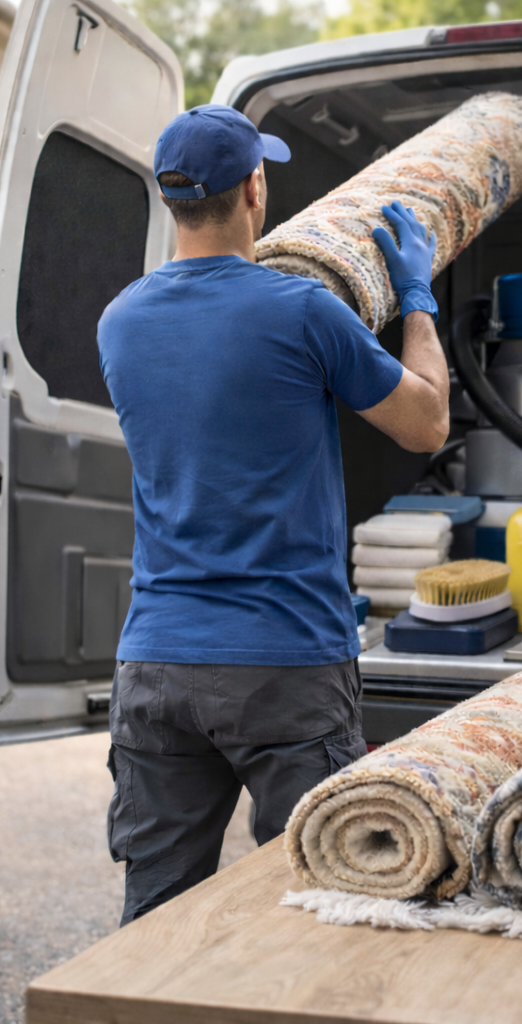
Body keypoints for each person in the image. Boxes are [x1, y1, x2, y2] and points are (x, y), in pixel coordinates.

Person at [97, 104, 450, 926]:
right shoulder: (302, 310)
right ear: (255, 189)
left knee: (155, 918)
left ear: (170, 199)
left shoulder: (119, 322)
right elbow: (427, 424)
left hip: (155, 666)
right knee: (319, 907)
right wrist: (416, 298)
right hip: (285, 665)